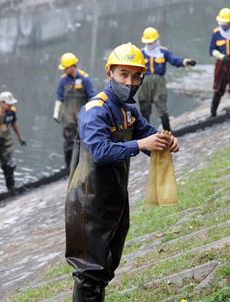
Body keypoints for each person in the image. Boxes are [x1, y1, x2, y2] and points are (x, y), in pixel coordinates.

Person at [65, 42, 180, 301]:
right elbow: (101, 151)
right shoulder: (95, 111)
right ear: (109, 74)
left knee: (107, 266)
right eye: (123, 74)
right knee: (89, 271)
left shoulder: (129, 110)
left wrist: (165, 141)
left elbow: (149, 136)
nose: (130, 82)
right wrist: (141, 145)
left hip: (115, 197)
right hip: (88, 202)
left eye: (136, 75)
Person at [138, 26, 197, 131]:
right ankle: (145, 134)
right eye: (148, 42)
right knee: (144, 108)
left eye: (151, 42)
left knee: (162, 107)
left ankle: (168, 133)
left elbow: (174, 60)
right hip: (144, 82)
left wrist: (185, 62)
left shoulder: (163, 52)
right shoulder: (140, 53)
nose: (150, 44)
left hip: (159, 83)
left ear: (156, 40)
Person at [53, 52, 96, 168]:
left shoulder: (84, 79)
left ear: (72, 66)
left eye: (65, 68)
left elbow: (92, 96)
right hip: (67, 117)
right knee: (68, 141)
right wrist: (56, 113)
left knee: (84, 140)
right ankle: (68, 166)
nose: (64, 70)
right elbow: (59, 97)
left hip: (82, 116)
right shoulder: (63, 80)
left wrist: (92, 114)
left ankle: (83, 164)